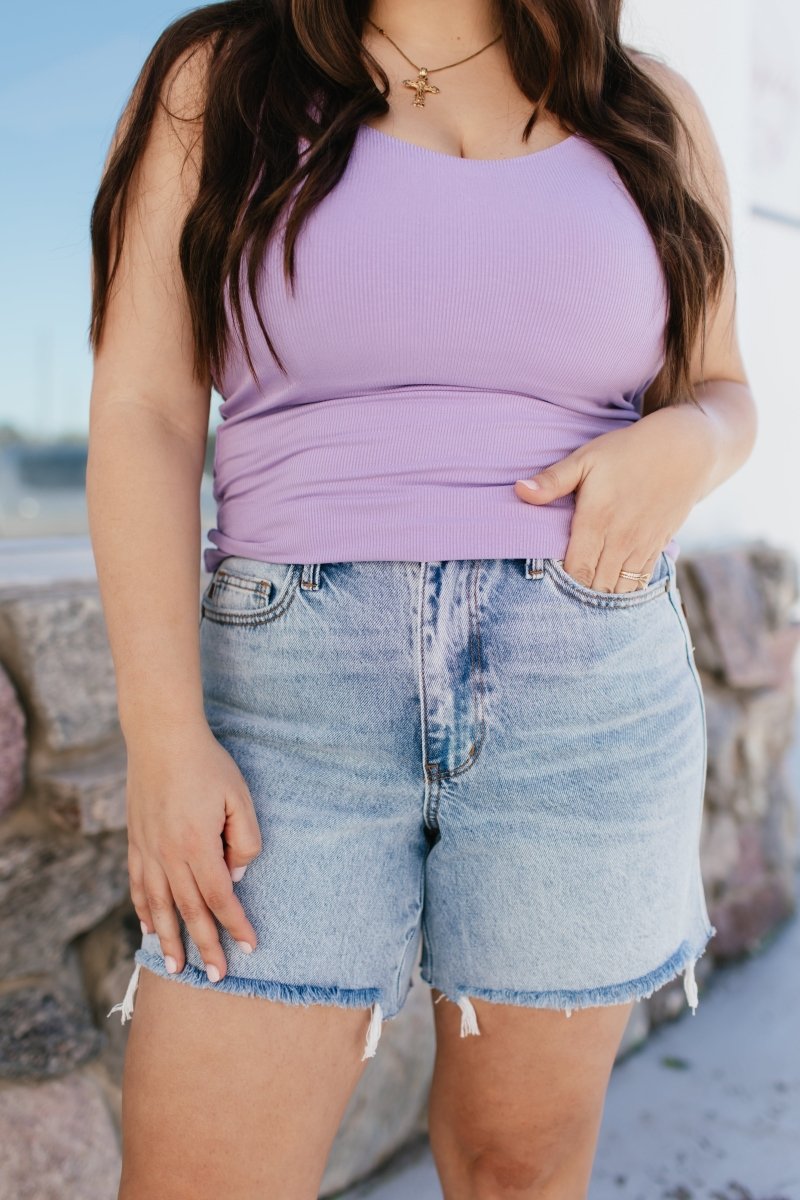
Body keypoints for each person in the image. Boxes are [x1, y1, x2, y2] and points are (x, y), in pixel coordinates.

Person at [87, 1, 756, 1196]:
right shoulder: (223, 77)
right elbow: (142, 412)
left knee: (520, 1168)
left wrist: (690, 445)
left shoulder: (644, 111)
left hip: (586, 681)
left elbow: (720, 388)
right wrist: (162, 733)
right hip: (285, 698)